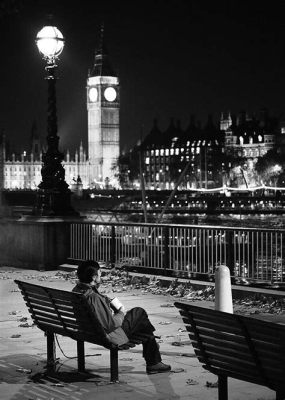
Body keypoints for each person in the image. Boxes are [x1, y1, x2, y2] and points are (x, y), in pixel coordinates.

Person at [72, 259, 171, 375]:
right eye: (99, 273)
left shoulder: (77, 290)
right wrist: (121, 312)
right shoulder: (93, 297)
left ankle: (152, 350)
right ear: (93, 277)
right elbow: (111, 325)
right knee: (139, 312)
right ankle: (153, 359)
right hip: (108, 336)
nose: (101, 276)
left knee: (143, 325)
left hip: (88, 331)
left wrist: (106, 302)